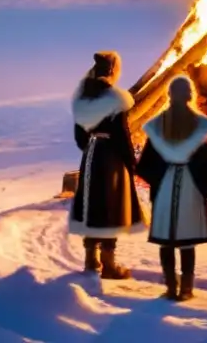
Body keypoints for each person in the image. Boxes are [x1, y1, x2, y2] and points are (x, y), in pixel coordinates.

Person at [135, 75, 207, 302]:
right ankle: (187, 288)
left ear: (169, 95)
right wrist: (204, 186)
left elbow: (144, 166)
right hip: (190, 186)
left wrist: (160, 179)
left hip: (165, 188)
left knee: (166, 239)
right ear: (190, 95)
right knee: (187, 240)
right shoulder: (200, 126)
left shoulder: (157, 127)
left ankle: (171, 287)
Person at [68, 51, 145, 280]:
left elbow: (79, 137)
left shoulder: (83, 99)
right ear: (112, 70)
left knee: (91, 205)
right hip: (111, 158)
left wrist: (92, 147)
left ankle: (90, 259)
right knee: (111, 208)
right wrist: (131, 162)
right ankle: (109, 265)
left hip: (91, 155)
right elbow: (122, 134)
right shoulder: (115, 99)